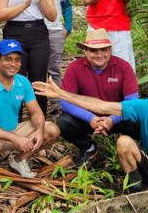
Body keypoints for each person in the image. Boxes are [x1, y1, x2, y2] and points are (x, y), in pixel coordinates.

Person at [0, 40, 60, 178]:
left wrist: (38, 129)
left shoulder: (22, 82)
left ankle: (18, 160)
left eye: (17, 60)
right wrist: (15, 138)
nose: (13, 64)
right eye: (7, 59)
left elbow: (36, 111)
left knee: (51, 130)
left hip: (13, 130)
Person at [57, 29, 140, 167]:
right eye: (93, 50)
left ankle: (134, 148)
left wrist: (112, 120)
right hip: (87, 119)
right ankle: (89, 148)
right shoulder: (75, 68)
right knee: (63, 122)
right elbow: (65, 101)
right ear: (85, 50)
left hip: (117, 117)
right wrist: (91, 118)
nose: (99, 54)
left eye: (103, 49)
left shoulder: (123, 67)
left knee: (139, 118)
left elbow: (132, 103)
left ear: (110, 49)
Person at [0, 0, 58, 115]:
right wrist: (25, 4)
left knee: (39, 80)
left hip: (39, 33)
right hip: (14, 32)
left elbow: (52, 16)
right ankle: (13, 123)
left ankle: (40, 122)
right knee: (15, 78)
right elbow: (0, 13)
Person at [34, 0, 72, 87]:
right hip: (35, 30)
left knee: (54, 69)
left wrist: (67, 28)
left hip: (55, 30)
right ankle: (34, 99)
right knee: (34, 67)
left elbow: (66, 6)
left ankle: (55, 101)